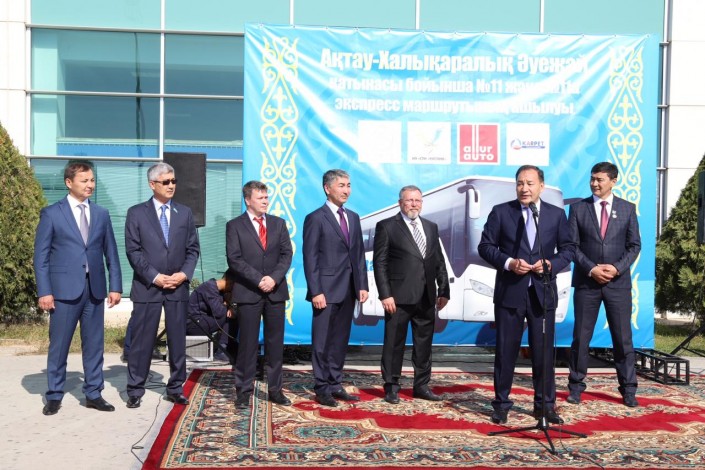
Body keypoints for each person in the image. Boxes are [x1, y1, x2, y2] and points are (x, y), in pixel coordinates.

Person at [478, 165, 575, 425]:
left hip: (542, 292)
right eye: (520, 183)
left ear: (541, 186)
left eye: (530, 183)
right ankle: (501, 404)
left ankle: (545, 406)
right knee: (505, 351)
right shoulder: (501, 212)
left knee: (543, 352)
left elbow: (568, 249)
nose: (524, 188)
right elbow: (485, 246)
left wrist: (551, 264)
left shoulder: (556, 215)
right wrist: (509, 262)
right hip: (510, 291)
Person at [33, 161, 122, 415]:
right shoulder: (52, 213)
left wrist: (115, 286)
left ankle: (94, 393)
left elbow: (111, 253)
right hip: (63, 292)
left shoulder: (101, 214)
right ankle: (54, 395)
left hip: (94, 290)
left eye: (92, 180)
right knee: (59, 345)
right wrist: (44, 291)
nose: (90, 185)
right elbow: (41, 257)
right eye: (84, 180)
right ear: (69, 182)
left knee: (94, 345)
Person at [124, 162, 200, 409]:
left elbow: (192, 249)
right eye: (166, 182)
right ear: (152, 184)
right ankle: (135, 388)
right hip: (148, 287)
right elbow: (133, 251)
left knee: (177, 340)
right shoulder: (136, 213)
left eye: (173, 181)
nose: (171, 186)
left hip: (177, 287)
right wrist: (155, 276)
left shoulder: (184, 213)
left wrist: (184, 274)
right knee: (142, 340)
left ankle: (175, 387)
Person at [567, 161, 641, 407]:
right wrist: (591, 268)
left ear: (613, 181)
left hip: (617, 284)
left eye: (599, 179)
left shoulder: (627, 209)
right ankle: (576, 386)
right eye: (592, 179)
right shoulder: (578, 209)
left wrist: (616, 268)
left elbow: (634, 246)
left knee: (622, 338)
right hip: (587, 283)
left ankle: (628, 389)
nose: (594, 184)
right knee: (581, 337)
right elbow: (572, 246)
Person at [373, 185, 450, 405]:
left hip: (426, 296)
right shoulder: (387, 226)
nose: (414, 204)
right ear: (400, 203)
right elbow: (380, 263)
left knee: (424, 344)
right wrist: (385, 294)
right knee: (394, 343)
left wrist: (444, 290)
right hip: (398, 298)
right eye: (409, 200)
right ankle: (391, 387)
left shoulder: (431, 227)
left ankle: (422, 386)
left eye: (417, 200)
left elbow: (439, 260)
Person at [303, 169, 369, 407]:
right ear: (327, 188)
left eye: (348, 185)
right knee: (322, 342)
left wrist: (362, 284)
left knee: (340, 341)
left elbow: (358, 254)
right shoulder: (316, 218)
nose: (346, 190)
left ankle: (335, 383)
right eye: (341, 185)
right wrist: (316, 291)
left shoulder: (353, 217)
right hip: (325, 290)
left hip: (349, 289)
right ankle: (321, 387)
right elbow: (310, 257)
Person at [226, 180, 293, 409]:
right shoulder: (235, 226)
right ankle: (243, 391)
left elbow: (286, 255)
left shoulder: (278, 224)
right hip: (249, 292)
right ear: (248, 200)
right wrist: (258, 279)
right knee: (247, 344)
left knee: (275, 344)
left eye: (266, 197)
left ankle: (275, 390)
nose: (265, 201)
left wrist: (273, 278)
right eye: (260, 198)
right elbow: (234, 259)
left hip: (275, 291)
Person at [187, 271, 239, 363]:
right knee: (229, 317)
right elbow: (219, 312)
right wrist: (227, 307)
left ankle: (227, 348)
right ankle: (221, 351)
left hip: (201, 321)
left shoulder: (218, 291)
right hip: (193, 323)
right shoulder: (210, 287)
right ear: (230, 282)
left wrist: (228, 305)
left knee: (232, 316)